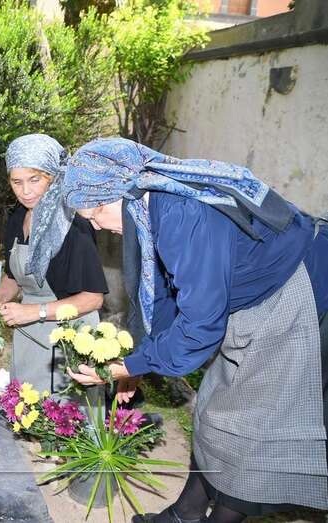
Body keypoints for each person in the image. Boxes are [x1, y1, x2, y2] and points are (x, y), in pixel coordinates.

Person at [62, 137, 328, 522]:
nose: (97, 225)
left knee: (250, 430)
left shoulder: (181, 214)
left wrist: (129, 366)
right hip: (256, 296)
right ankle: (185, 512)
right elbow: (165, 296)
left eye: (97, 211)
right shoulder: (148, 207)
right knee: (212, 409)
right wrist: (138, 361)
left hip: (297, 294)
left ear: (123, 190)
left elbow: (200, 327)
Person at [0, 134, 108, 394]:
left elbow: (93, 298)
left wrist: (35, 312)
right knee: (26, 406)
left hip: (69, 337)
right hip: (29, 336)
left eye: (35, 179)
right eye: (17, 182)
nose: (25, 191)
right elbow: (14, 277)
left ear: (53, 177)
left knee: (60, 413)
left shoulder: (73, 223)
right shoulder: (17, 217)